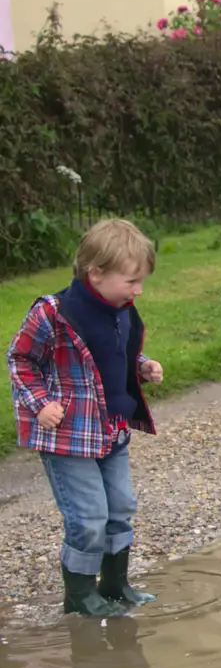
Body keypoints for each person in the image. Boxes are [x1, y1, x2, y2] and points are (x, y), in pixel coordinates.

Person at [8, 220, 165, 616]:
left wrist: (141, 365)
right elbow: (20, 360)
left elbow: (113, 357)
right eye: (132, 281)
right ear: (95, 273)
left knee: (120, 506)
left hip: (112, 431)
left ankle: (115, 584)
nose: (138, 290)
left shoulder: (120, 309)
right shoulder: (52, 313)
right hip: (69, 437)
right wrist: (40, 403)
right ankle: (80, 596)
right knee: (89, 517)